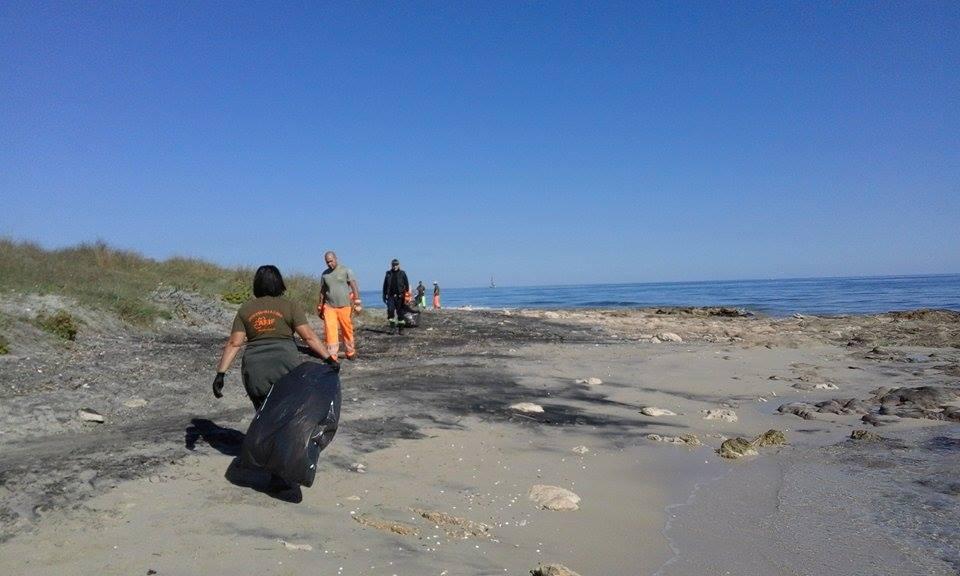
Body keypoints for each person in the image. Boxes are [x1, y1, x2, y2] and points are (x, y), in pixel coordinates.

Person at [212, 265, 338, 411]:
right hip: (285, 365)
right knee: (287, 413)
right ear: (279, 283)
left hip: (255, 370)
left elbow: (234, 343)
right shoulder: (290, 306)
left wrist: (220, 374)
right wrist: (329, 359)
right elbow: (308, 337)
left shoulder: (245, 309)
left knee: (263, 414)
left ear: (256, 284)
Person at [317, 251, 360, 360]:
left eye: (331, 261)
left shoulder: (346, 270)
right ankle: (332, 355)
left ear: (336, 258)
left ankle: (350, 352)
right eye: (327, 262)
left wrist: (357, 301)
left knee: (347, 330)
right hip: (329, 307)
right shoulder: (325, 274)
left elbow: (353, 286)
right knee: (330, 331)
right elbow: (322, 291)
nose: (329, 264)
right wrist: (320, 305)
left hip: (344, 306)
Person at [382, 258, 409, 334]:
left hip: (400, 297)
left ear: (399, 265)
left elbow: (406, 285)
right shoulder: (388, 273)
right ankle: (392, 328)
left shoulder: (402, 273)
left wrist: (407, 296)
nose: (395, 266)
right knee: (390, 311)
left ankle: (401, 329)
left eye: (396, 265)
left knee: (400, 313)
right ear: (391, 265)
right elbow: (385, 285)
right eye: (393, 265)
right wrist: (384, 295)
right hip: (390, 296)